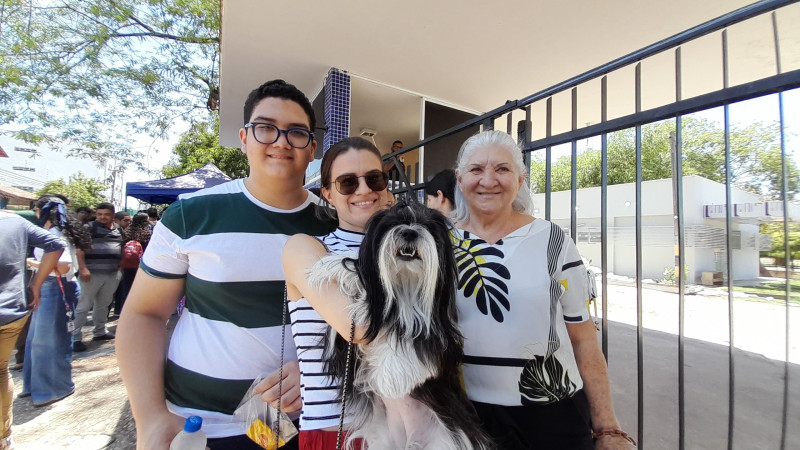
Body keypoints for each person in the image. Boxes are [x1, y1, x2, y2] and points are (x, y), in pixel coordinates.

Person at [116, 79, 334, 450]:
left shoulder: (335, 226)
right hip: (201, 427)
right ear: (244, 138)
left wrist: (319, 368)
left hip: (307, 424)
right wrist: (150, 415)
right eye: (266, 128)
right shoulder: (191, 215)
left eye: (296, 132)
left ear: (312, 148)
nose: (281, 141)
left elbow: (357, 324)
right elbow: (144, 314)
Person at [449, 130, 634, 449]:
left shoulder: (553, 240)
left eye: (502, 169)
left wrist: (607, 427)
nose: (488, 180)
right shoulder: (438, 244)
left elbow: (584, 340)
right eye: (476, 169)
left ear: (520, 180)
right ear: (460, 178)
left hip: (554, 416)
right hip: (466, 416)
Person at [285, 136, 389, 449]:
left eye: (374, 178)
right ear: (328, 193)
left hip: (408, 428)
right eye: (347, 183)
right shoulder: (306, 248)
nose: (364, 190)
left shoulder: (404, 246)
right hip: (337, 430)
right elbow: (360, 327)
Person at [0, 210, 64, 450]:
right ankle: (4, 437)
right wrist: (35, 284)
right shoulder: (15, 221)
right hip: (12, 311)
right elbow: (55, 245)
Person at [22, 195, 92, 407]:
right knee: (40, 341)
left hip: (55, 287)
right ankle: (39, 387)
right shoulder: (61, 232)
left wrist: (31, 262)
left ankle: (48, 390)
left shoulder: (53, 233)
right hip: (53, 287)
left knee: (47, 342)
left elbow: (62, 265)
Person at [73, 202, 124, 351]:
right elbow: (79, 249)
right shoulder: (88, 228)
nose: (102, 217)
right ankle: (75, 337)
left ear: (113, 215)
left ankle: (100, 331)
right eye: (99, 214)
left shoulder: (118, 230)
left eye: (106, 214)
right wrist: (83, 268)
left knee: (104, 304)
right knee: (83, 306)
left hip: (112, 274)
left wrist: (120, 266)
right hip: (91, 274)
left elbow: (121, 247)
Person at [114, 212, 151, 316]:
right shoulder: (147, 232)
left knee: (125, 287)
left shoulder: (127, 231)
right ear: (144, 221)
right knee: (139, 287)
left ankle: (122, 310)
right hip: (141, 263)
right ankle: (136, 311)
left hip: (127, 263)